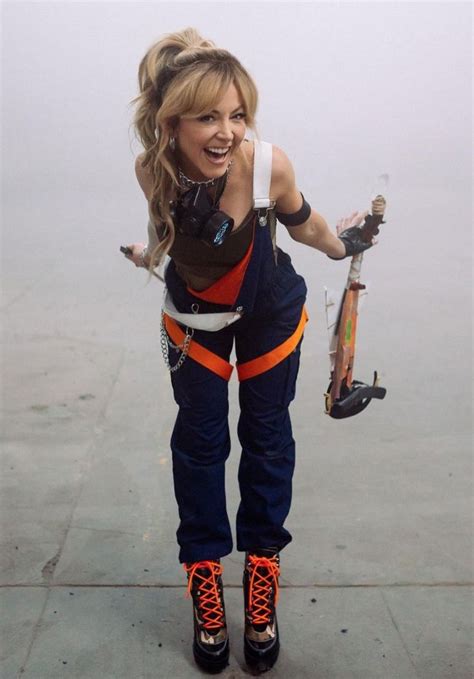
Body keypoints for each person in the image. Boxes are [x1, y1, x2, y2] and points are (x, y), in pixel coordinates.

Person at [125, 27, 373, 674]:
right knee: (199, 445)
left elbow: (307, 224)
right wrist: (148, 254)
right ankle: (204, 575)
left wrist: (343, 248)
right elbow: (176, 234)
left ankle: (262, 575)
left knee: (266, 439)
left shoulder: (269, 164)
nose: (227, 131)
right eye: (208, 116)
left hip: (270, 317)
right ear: (169, 121)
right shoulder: (151, 168)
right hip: (193, 323)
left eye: (237, 115)